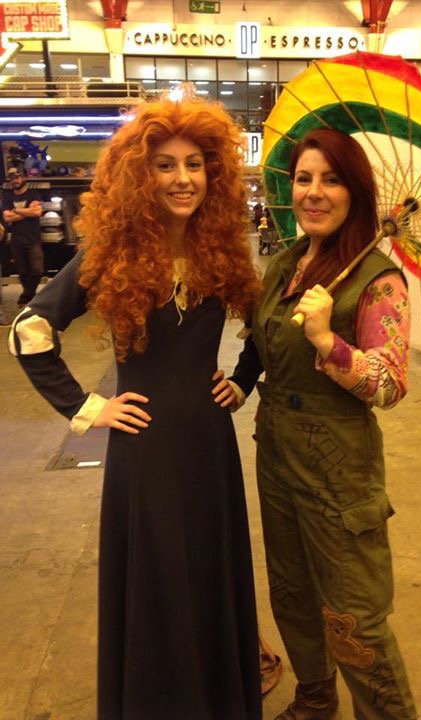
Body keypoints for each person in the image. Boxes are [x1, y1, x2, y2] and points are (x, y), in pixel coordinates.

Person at [9, 96, 263, 720]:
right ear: (137, 177)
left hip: (209, 445)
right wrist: (87, 407)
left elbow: (267, 326)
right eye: (165, 165)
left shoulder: (221, 250)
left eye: (195, 164)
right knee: (157, 572)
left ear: (214, 173)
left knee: (207, 568)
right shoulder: (109, 255)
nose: (183, 179)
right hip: (143, 448)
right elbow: (30, 330)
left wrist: (242, 380)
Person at [213, 128, 417, 720]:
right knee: (293, 591)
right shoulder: (284, 263)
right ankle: (315, 697)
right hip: (276, 454)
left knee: (354, 611)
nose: (314, 192)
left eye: (331, 180)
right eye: (304, 179)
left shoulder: (378, 279)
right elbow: (262, 337)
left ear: (355, 192)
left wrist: (329, 340)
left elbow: (389, 385)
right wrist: (241, 380)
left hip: (339, 470)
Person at [2, 167, 43, 307]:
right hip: (16, 240)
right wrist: (27, 211)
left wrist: (16, 210)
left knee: (37, 270)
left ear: (23, 178)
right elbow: (7, 218)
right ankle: (31, 297)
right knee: (23, 272)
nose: (15, 180)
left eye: (17, 177)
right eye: (12, 178)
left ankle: (26, 296)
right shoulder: (8, 196)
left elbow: (37, 212)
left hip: (33, 239)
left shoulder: (33, 194)